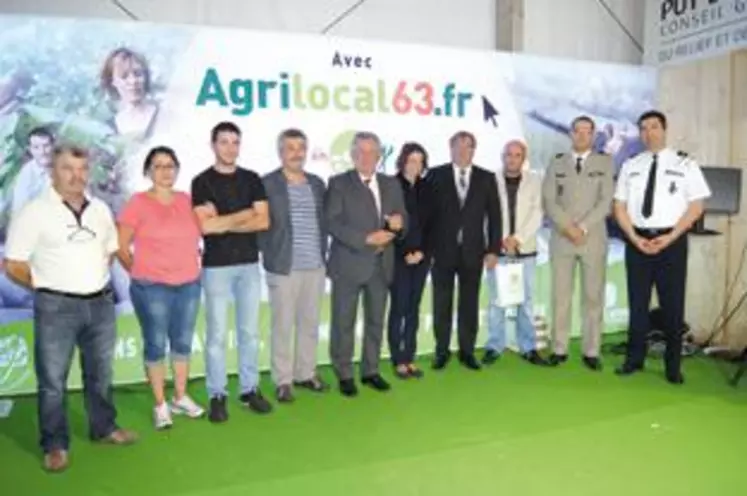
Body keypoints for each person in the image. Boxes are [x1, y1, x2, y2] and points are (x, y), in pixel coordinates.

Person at [3, 144, 137, 472]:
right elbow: (13, 263)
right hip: (56, 306)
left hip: (100, 305)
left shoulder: (101, 210)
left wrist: (89, 277)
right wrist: (46, 284)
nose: (76, 176)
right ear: (53, 171)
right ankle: (55, 444)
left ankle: (104, 427)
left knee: (100, 374)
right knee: (52, 380)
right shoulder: (34, 211)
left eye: (81, 170)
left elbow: (108, 250)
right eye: (67, 169)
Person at [613, 110, 710, 384]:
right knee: (638, 305)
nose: (648, 133)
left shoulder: (685, 163)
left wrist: (671, 237)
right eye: (643, 128)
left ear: (664, 130)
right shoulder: (631, 164)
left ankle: (673, 367)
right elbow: (619, 206)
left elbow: (696, 206)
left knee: (672, 306)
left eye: (653, 127)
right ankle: (634, 360)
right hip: (637, 242)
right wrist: (634, 237)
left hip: (672, 242)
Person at [116, 146, 205, 429]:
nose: (165, 171)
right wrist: (140, 273)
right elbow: (119, 246)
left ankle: (180, 396)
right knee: (155, 344)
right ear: (147, 171)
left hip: (188, 284)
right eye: (158, 166)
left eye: (170, 165)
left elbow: (204, 230)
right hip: (152, 287)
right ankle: (160, 404)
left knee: (182, 342)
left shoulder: (187, 200)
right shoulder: (138, 203)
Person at [191, 121, 272, 422]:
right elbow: (206, 226)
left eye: (235, 142)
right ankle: (217, 394)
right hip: (216, 268)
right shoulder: (201, 182)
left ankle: (249, 389)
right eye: (224, 142)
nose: (230, 148)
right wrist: (244, 214)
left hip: (250, 264)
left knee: (249, 332)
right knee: (216, 334)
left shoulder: (252, 179)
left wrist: (224, 220)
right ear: (213, 145)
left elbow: (263, 222)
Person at [325, 131, 407, 397]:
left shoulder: (391, 184)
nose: (366, 157)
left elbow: (402, 220)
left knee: (375, 321)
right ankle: (344, 373)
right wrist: (366, 239)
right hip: (348, 264)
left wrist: (398, 225)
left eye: (372, 152)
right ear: (352, 154)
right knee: (343, 322)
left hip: (381, 265)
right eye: (361, 151)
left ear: (380, 155)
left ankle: (371, 370)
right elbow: (332, 223)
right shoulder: (338, 183)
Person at [260, 129, 329, 403]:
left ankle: (305, 373)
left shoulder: (317, 183)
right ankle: (283, 380)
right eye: (291, 148)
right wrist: (270, 252)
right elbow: (260, 225)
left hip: (315, 265)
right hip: (283, 266)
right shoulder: (267, 183)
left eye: (301, 147)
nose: (297, 153)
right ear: (280, 152)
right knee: (283, 325)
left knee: (310, 323)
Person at [542, 115, 614, 371]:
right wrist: (567, 227)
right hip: (562, 239)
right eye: (578, 131)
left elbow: (606, 201)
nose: (582, 136)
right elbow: (549, 200)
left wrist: (581, 227)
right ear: (571, 134)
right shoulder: (557, 163)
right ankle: (559, 348)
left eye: (587, 131)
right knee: (561, 296)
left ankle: (591, 351)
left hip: (592, 238)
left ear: (593, 135)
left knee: (593, 297)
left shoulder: (605, 163)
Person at [428, 131, 501, 371]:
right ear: (450, 148)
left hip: (474, 252)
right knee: (442, 303)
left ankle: (467, 351)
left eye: (467, 147)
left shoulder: (486, 178)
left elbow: (495, 217)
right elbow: (427, 216)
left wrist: (493, 250)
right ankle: (441, 351)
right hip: (442, 252)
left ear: (473, 150)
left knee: (469, 303)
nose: (462, 151)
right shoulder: (436, 175)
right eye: (458, 146)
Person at [482, 140, 548, 366]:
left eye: (517, 155)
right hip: (498, 250)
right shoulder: (490, 180)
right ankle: (494, 346)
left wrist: (516, 239)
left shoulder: (535, 181)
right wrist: (498, 242)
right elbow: (485, 216)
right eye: (508, 154)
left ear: (524, 158)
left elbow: (537, 213)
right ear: (503, 157)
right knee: (497, 301)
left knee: (526, 302)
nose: (512, 159)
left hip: (525, 250)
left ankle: (528, 347)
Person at [387, 142, 433, 379]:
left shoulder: (428, 188)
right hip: (398, 257)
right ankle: (398, 359)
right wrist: (406, 251)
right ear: (403, 161)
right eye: (411, 160)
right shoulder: (391, 185)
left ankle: (410, 356)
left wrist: (423, 252)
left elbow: (433, 224)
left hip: (423, 257)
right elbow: (388, 224)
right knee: (399, 307)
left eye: (420, 161)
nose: (415, 165)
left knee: (413, 308)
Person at [100, 47, 159, 139]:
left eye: (138, 74)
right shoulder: (109, 130)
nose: (133, 81)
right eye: (124, 76)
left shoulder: (163, 114)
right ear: (113, 82)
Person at [10, 127, 54, 217]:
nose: (42, 152)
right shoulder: (26, 175)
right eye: (36, 147)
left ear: (54, 146)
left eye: (46, 146)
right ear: (30, 150)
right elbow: (19, 211)